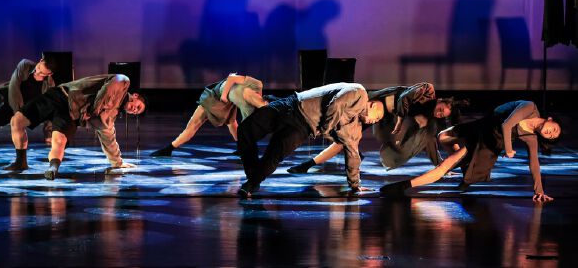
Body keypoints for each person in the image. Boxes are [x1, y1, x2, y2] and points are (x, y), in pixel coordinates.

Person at [380, 101, 561, 202]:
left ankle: (403, 186)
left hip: (487, 141)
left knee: (445, 166)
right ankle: (466, 165)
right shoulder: (530, 107)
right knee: (443, 136)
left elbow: (534, 163)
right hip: (483, 126)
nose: (550, 133)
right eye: (554, 129)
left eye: (552, 136)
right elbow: (507, 124)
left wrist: (539, 190)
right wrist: (508, 149)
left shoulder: (531, 138)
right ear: (550, 119)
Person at [237, 82, 384, 197]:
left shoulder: (355, 131)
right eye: (377, 117)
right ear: (372, 105)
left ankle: (252, 183)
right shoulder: (359, 93)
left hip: (303, 127)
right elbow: (336, 104)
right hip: (291, 105)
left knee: (274, 155)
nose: (374, 121)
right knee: (245, 130)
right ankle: (252, 176)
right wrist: (326, 128)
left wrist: (355, 185)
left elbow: (353, 155)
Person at [287, 83, 458, 173]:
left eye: (442, 115)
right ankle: (308, 164)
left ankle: (309, 164)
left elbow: (429, 140)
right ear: (440, 100)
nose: (439, 113)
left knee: (349, 138)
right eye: (440, 109)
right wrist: (400, 121)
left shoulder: (429, 118)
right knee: (343, 137)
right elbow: (403, 98)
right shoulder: (427, 92)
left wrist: (441, 166)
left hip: (384, 117)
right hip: (375, 105)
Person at [3, 74, 146, 180]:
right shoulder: (123, 82)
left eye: (136, 112)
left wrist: (117, 163)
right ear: (135, 96)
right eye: (138, 106)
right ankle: (20, 162)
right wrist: (94, 110)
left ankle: (53, 168)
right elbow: (107, 90)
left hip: (72, 115)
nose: (134, 110)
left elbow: (108, 138)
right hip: (61, 96)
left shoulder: (109, 117)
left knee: (59, 141)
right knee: (17, 121)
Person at [150, 73, 267, 157]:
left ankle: (241, 148)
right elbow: (232, 77)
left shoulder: (249, 110)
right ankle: (169, 148)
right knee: (194, 124)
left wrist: (249, 147)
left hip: (228, 103)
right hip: (215, 96)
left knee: (232, 123)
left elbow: (246, 130)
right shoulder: (257, 85)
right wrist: (224, 95)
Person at [0, 55, 56, 144]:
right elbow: (14, 87)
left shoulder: (50, 85)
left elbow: (48, 108)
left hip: (18, 110)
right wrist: (18, 113)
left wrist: (49, 132)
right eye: (38, 68)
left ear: (50, 74)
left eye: (42, 73)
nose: (37, 72)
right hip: (7, 97)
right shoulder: (25, 65)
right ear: (41, 60)